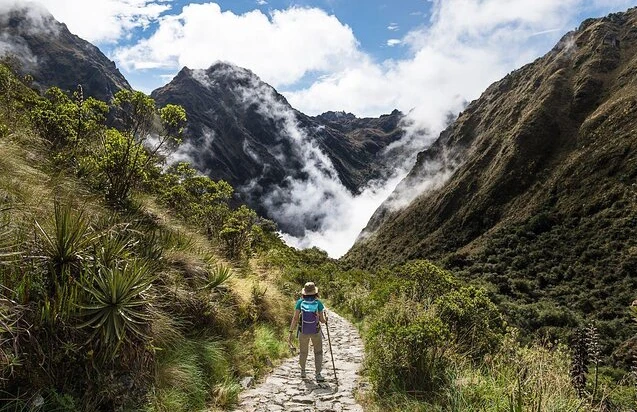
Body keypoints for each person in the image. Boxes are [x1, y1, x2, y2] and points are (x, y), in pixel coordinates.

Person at [288, 281, 327, 381]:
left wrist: (291, 331)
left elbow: (295, 318)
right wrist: (326, 319)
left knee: (303, 352)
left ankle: (303, 371)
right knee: (318, 352)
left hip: (303, 331)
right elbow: (322, 320)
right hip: (316, 331)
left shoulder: (300, 302)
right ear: (315, 292)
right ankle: (318, 374)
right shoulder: (318, 303)